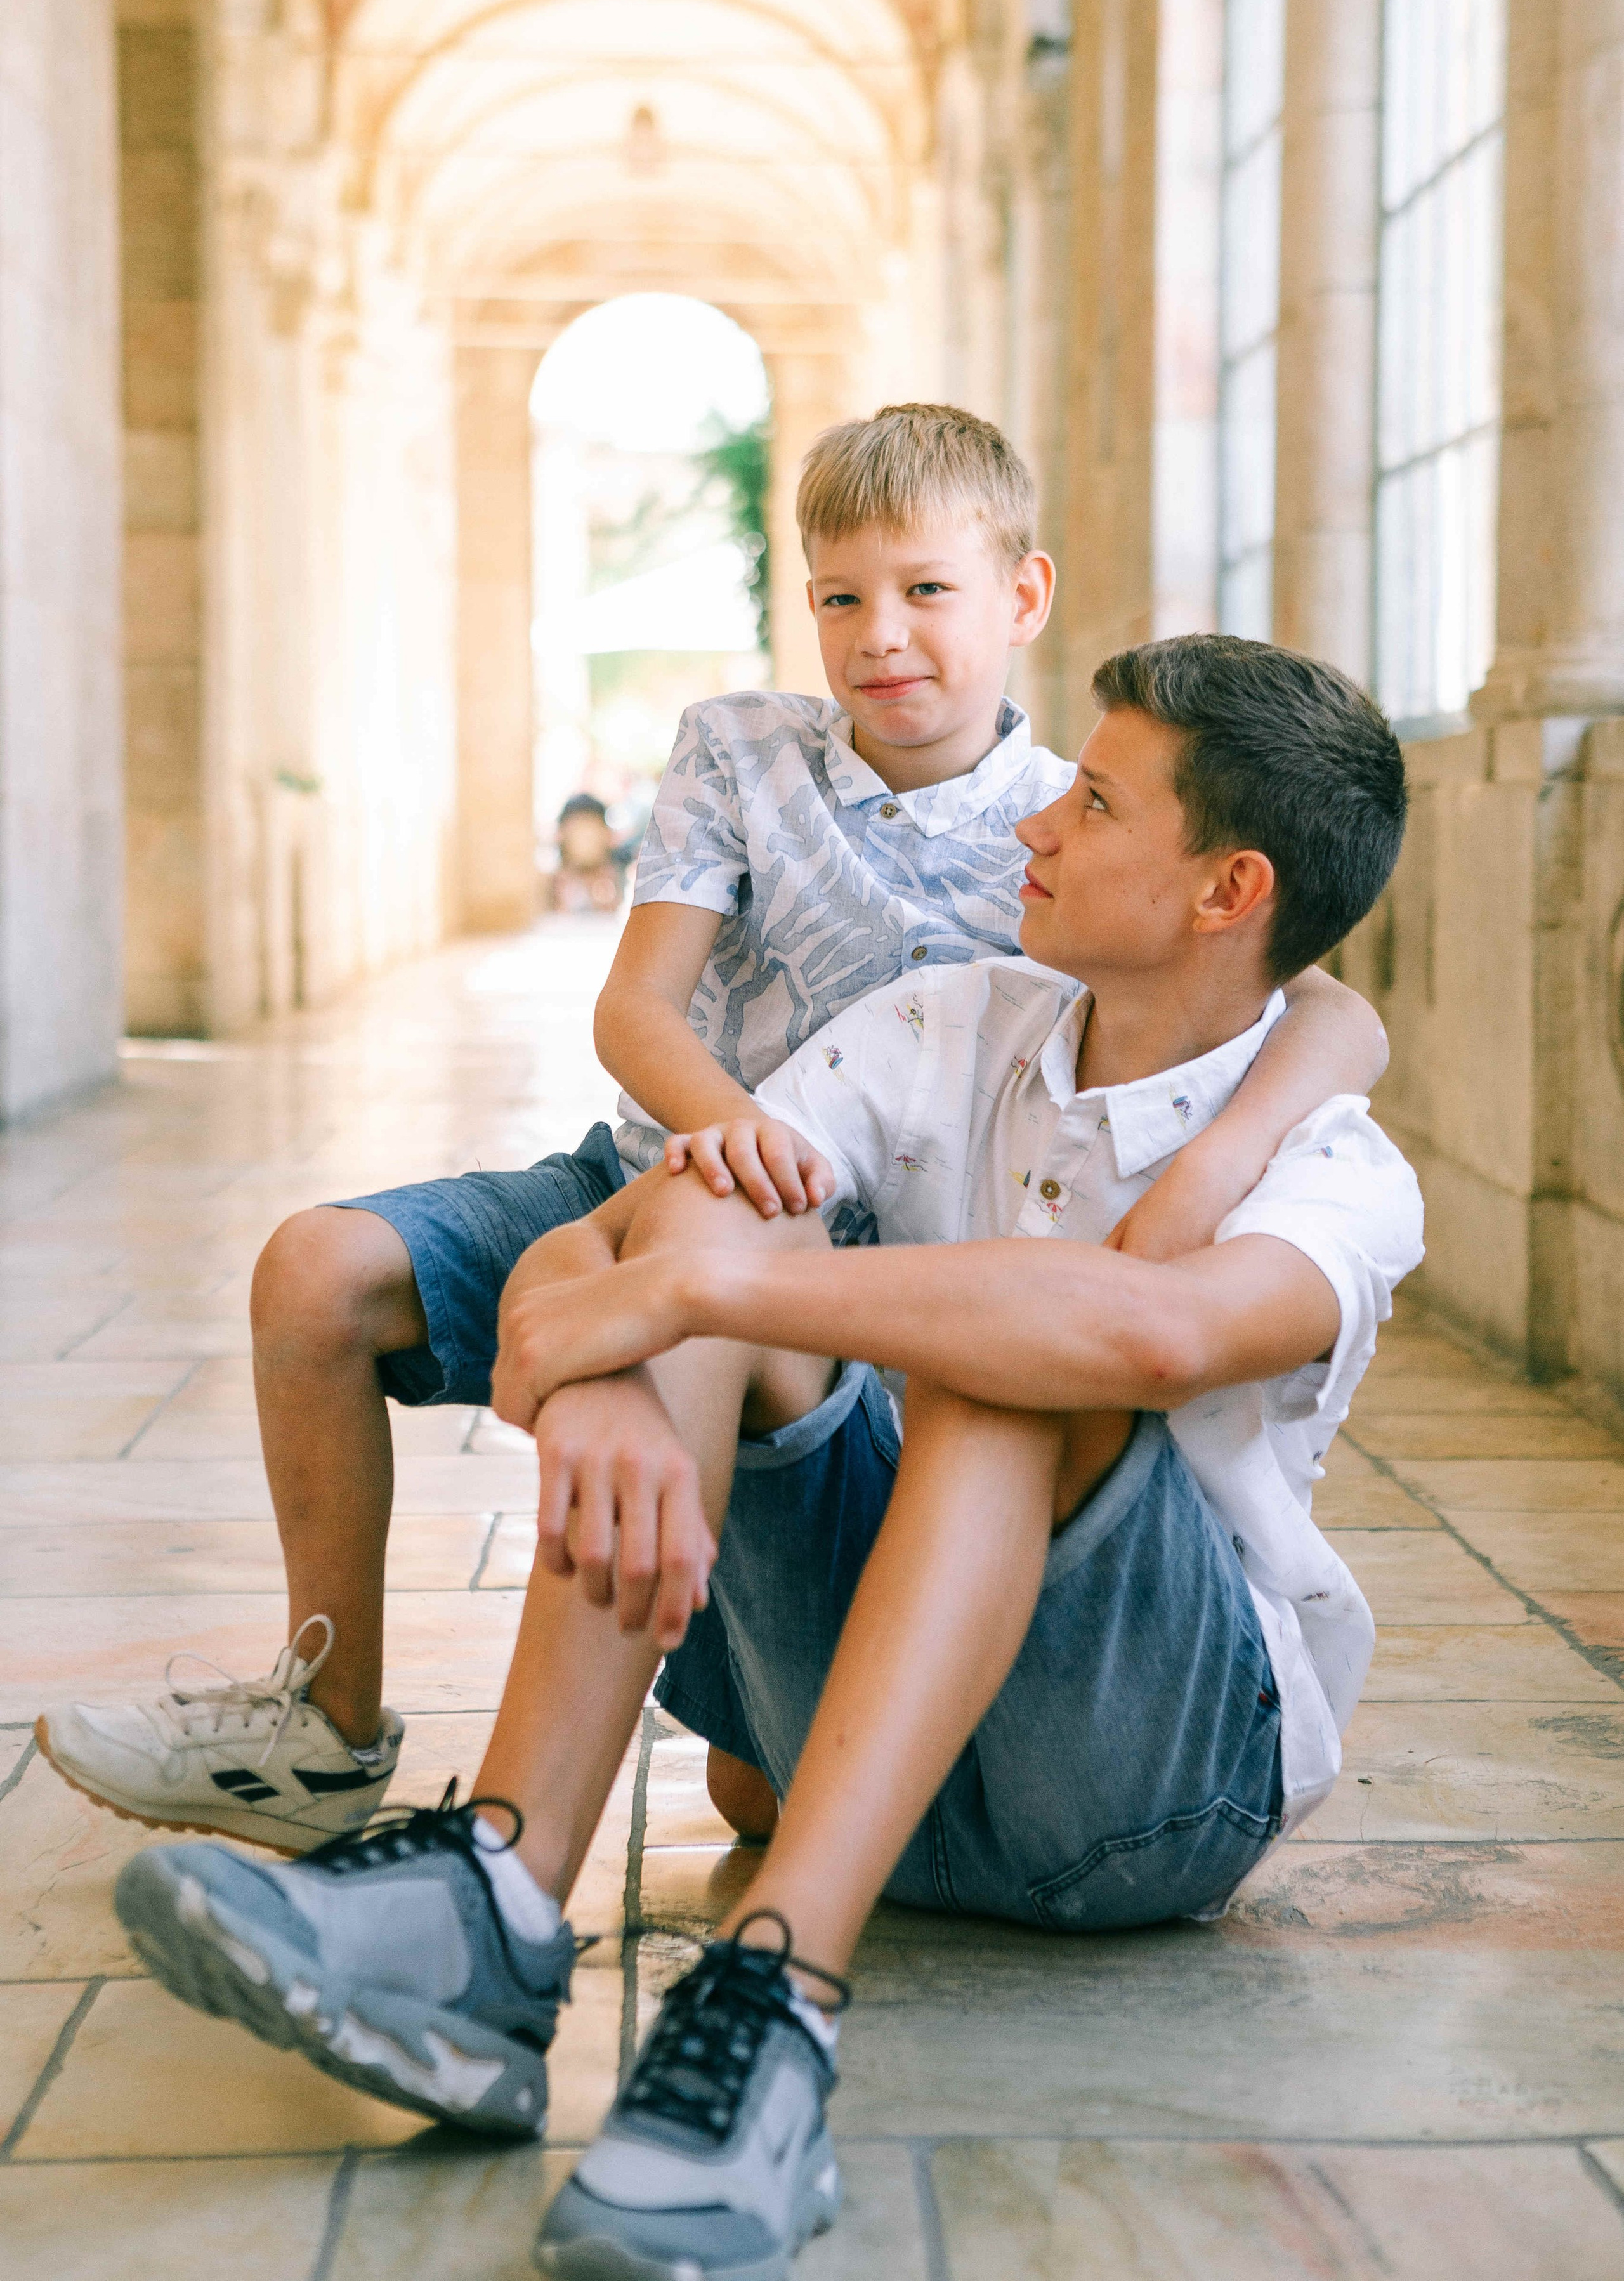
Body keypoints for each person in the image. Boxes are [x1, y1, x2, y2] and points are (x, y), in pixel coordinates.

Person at [110, 636, 1420, 2281]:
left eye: (1092, 804)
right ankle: (495, 1902)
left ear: (1230, 891)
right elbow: (646, 1222)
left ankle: (775, 1999)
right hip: (858, 1748)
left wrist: (702, 1296)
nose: (1034, 826)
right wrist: (622, 1369)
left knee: (997, 1361)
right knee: (734, 1214)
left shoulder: (1339, 1169)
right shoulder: (952, 1019)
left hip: (1142, 1797)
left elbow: (1152, 1335)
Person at [38, 404, 1382, 1860]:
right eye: (839, 598)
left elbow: (1316, 1003)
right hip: (661, 1182)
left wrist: (1211, 1166)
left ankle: (701, 1759)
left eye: (927, 590)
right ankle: (329, 1725)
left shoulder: (1076, 822)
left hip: (849, 1283)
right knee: (315, 1272)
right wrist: (739, 1156)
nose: (880, 635)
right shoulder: (742, 752)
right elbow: (635, 1010)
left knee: (753, 1788)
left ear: (1022, 596)